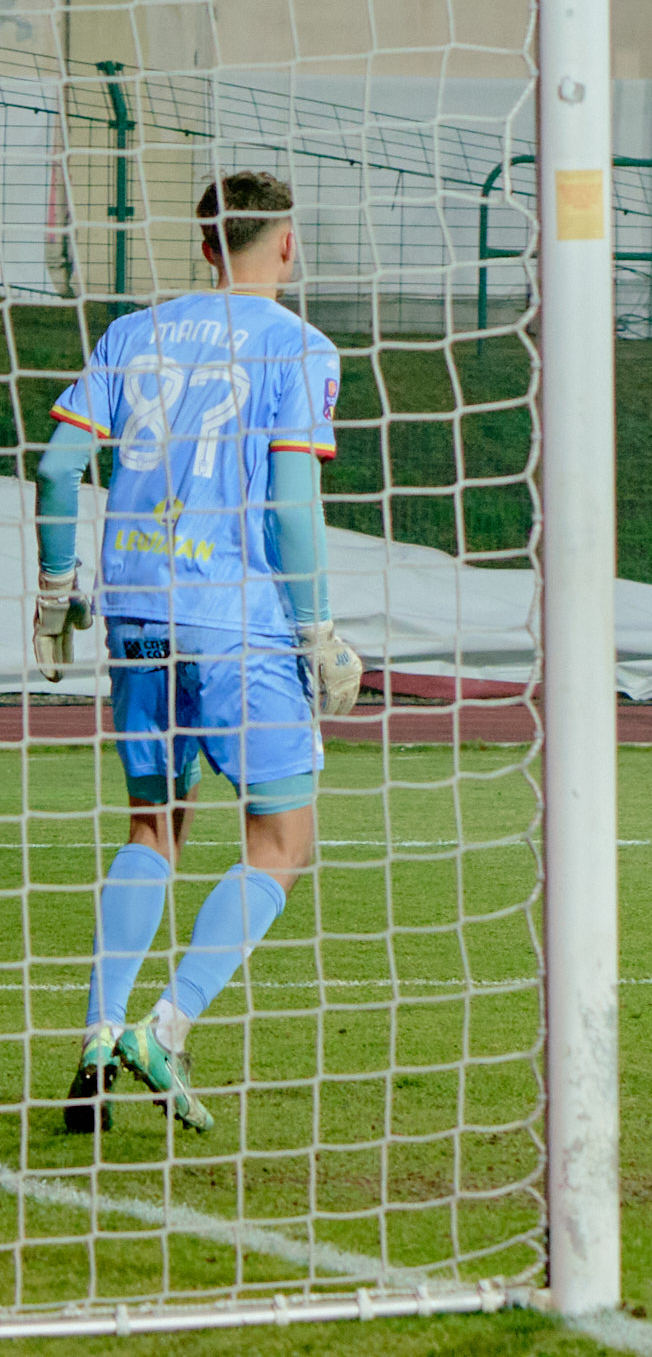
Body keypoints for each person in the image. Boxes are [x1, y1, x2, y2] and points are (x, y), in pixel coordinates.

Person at [39, 172, 358, 1134]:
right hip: (238, 621)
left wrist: (56, 589)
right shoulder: (299, 346)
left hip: (137, 614)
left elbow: (58, 467)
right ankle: (163, 1030)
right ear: (287, 243)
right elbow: (291, 504)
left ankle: (98, 1032)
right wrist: (318, 630)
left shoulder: (130, 335)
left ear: (206, 244)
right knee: (282, 843)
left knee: (153, 828)